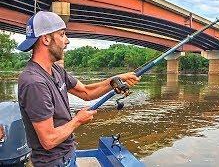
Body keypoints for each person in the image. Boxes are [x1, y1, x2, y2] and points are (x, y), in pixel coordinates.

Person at [17, 11, 139, 166]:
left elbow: (86, 92)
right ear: (46, 39)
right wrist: (77, 120)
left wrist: (115, 80)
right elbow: (48, 140)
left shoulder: (56, 70)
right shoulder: (34, 82)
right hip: (54, 162)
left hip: (68, 154)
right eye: (62, 34)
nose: (67, 41)